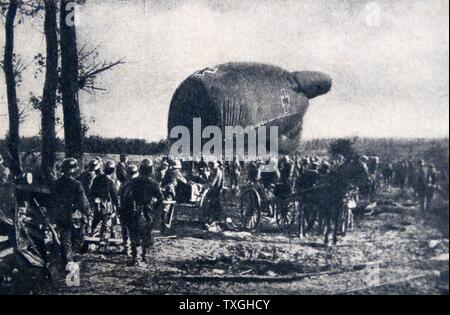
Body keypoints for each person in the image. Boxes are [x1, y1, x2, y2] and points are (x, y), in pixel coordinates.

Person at [121, 159, 163, 264]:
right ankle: (144, 256)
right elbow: (160, 198)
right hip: (147, 211)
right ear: (150, 170)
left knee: (133, 234)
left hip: (132, 210)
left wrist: (126, 209)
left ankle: (135, 257)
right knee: (146, 233)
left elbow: (124, 196)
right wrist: (154, 207)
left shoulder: (131, 182)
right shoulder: (153, 183)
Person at [52, 158, 90, 265]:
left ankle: (67, 260)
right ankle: (71, 261)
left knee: (65, 239)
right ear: (74, 170)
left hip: (61, 216)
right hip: (75, 216)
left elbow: (53, 200)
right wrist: (87, 213)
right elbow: (83, 203)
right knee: (77, 239)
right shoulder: (77, 184)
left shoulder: (56, 183)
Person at [90, 161, 119, 251]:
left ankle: (91, 240)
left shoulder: (96, 178)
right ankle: (104, 242)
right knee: (107, 223)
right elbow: (114, 195)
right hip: (107, 204)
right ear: (113, 170)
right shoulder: (110, 182)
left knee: (95, 221)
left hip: (97, 203)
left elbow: (92, 191)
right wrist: (117, 206)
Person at [118, 164, 139, 255]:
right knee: (133, 231)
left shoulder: (124, 185)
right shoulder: (139, 184)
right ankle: (134, 251)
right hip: (135, 210)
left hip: (126, 210)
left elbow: (120, 198)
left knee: (125, 230)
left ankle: (127, 248)